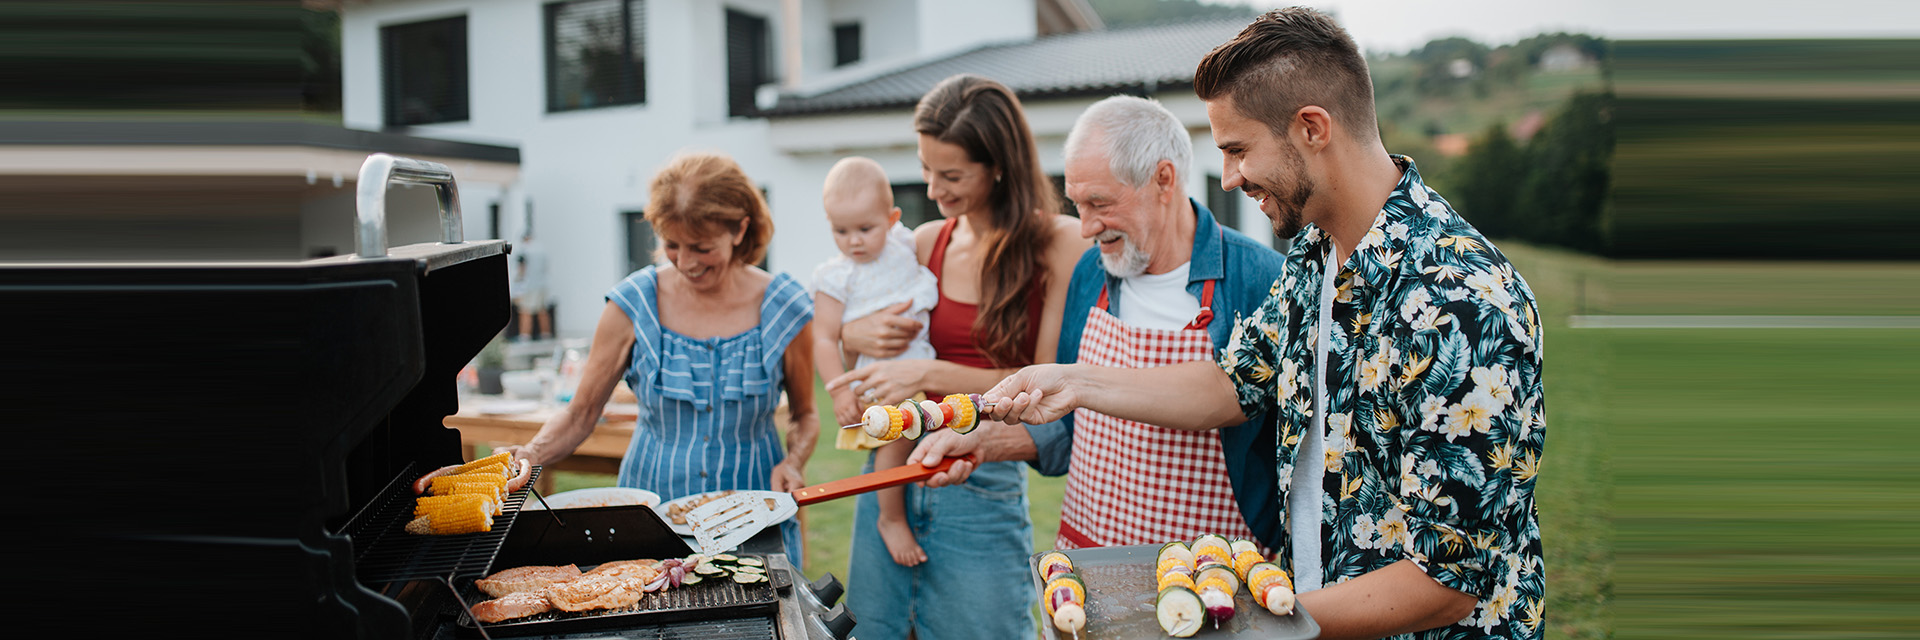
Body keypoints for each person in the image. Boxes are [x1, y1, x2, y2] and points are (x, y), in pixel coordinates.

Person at [979, 8, 1546, 640]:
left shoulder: (1461, 300)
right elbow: (1232, 385)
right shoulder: (1314, 255)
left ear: (1311, 128)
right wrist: (1076, 382)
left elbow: (1445, 584)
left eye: (1238, 149)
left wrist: (1240, 624)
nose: (1228, 177)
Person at [906, 95, 1289, 551]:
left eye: (1098, 203)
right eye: (1076, 204)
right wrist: (986, 441)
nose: (1085, 227)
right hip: (1092, 557)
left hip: (1216, 570)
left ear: (1163, 180)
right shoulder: (1091, 274)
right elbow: (1071, 421)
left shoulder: (1261, 280)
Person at [830, 74, 1088, 639]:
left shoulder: (1059, 244)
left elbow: (1039, 386)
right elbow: (857, 332)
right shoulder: (924, 242)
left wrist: (929, 372)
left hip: (982, 482)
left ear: (997, 164)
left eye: (950, 175)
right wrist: (862, 334)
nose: (932, 190)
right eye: (926, 170)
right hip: (891, 471)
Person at [499, 152, 818, 568]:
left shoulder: (786, 307)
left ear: (740, 229)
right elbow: (580, 414)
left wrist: (794, 461)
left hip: (752, 518)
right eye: (671, 245)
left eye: (701, 247)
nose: (685, 263)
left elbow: (806, 415)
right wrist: (530, 453)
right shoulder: (631, 305)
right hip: (649, 518)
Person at [809, 156, 941, 567]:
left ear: (892, 218)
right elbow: (824, 338)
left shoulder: (903, 243)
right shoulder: (837, 275)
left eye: (866, 229)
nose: (854, 241)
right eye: (840, 230)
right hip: (879, 379)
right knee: (898, 438)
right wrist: (839, 389)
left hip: (918, 366)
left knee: (922, 438)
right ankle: (890, 517)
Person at [511, 232, 551, 340]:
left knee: (525, 311)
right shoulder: (541, 249)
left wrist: (517, 284)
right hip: (542, 284)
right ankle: (545, 334)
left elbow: (521, 268)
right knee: (542, 310)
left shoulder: (524, 250)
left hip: (529, 285)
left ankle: (525, 335)